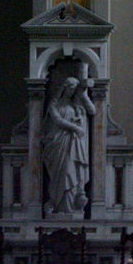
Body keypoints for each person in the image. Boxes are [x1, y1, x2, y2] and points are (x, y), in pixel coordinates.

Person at [41, 75, 96, 214]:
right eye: (71, 88)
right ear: (65, 88)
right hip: (57, 144)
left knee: (71, 173)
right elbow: (57, 120)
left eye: (74, 89)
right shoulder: (54, 104)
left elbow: (92, 111)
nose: (72, 91)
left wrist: (83, 94)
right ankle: (57, 205)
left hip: (73, 145)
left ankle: (71, 208)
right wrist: (75, 127)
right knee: (60, 174)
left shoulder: (76, 105)